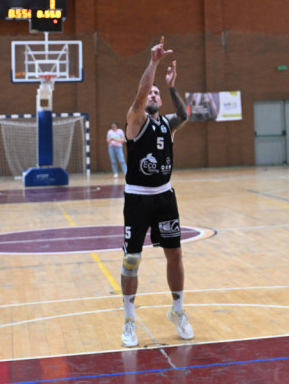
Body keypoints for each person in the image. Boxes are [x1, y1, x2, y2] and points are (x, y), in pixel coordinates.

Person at [120, 37, 192, 348]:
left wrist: (172, 86)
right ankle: (129, 319)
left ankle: (177, 311)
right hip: (137, 198)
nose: (153, 94)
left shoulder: (168, 125)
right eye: (150, 91)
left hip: (164, 197)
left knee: (174, 254)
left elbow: (185, 115)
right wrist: (153, 64)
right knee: (132, 259)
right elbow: (140, 95)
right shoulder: (135, 121)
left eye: (157, 93)